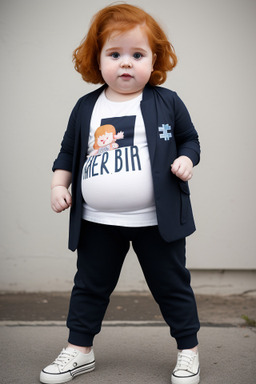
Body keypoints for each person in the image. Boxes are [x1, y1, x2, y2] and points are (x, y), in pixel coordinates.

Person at [40, 4, 201, 384]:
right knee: (89, 286)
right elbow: (67, 152)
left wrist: (185, 159)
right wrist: (58, 185)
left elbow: (190, 139)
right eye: (114, 55)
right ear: (97, 60)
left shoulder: (167, 102)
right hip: (98, 221)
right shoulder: (86, 108)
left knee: (172, 285)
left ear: (154, 59)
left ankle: (188, 351)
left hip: (154, 221)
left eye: (137, 54)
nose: (125, 64)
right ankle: (79, 350)